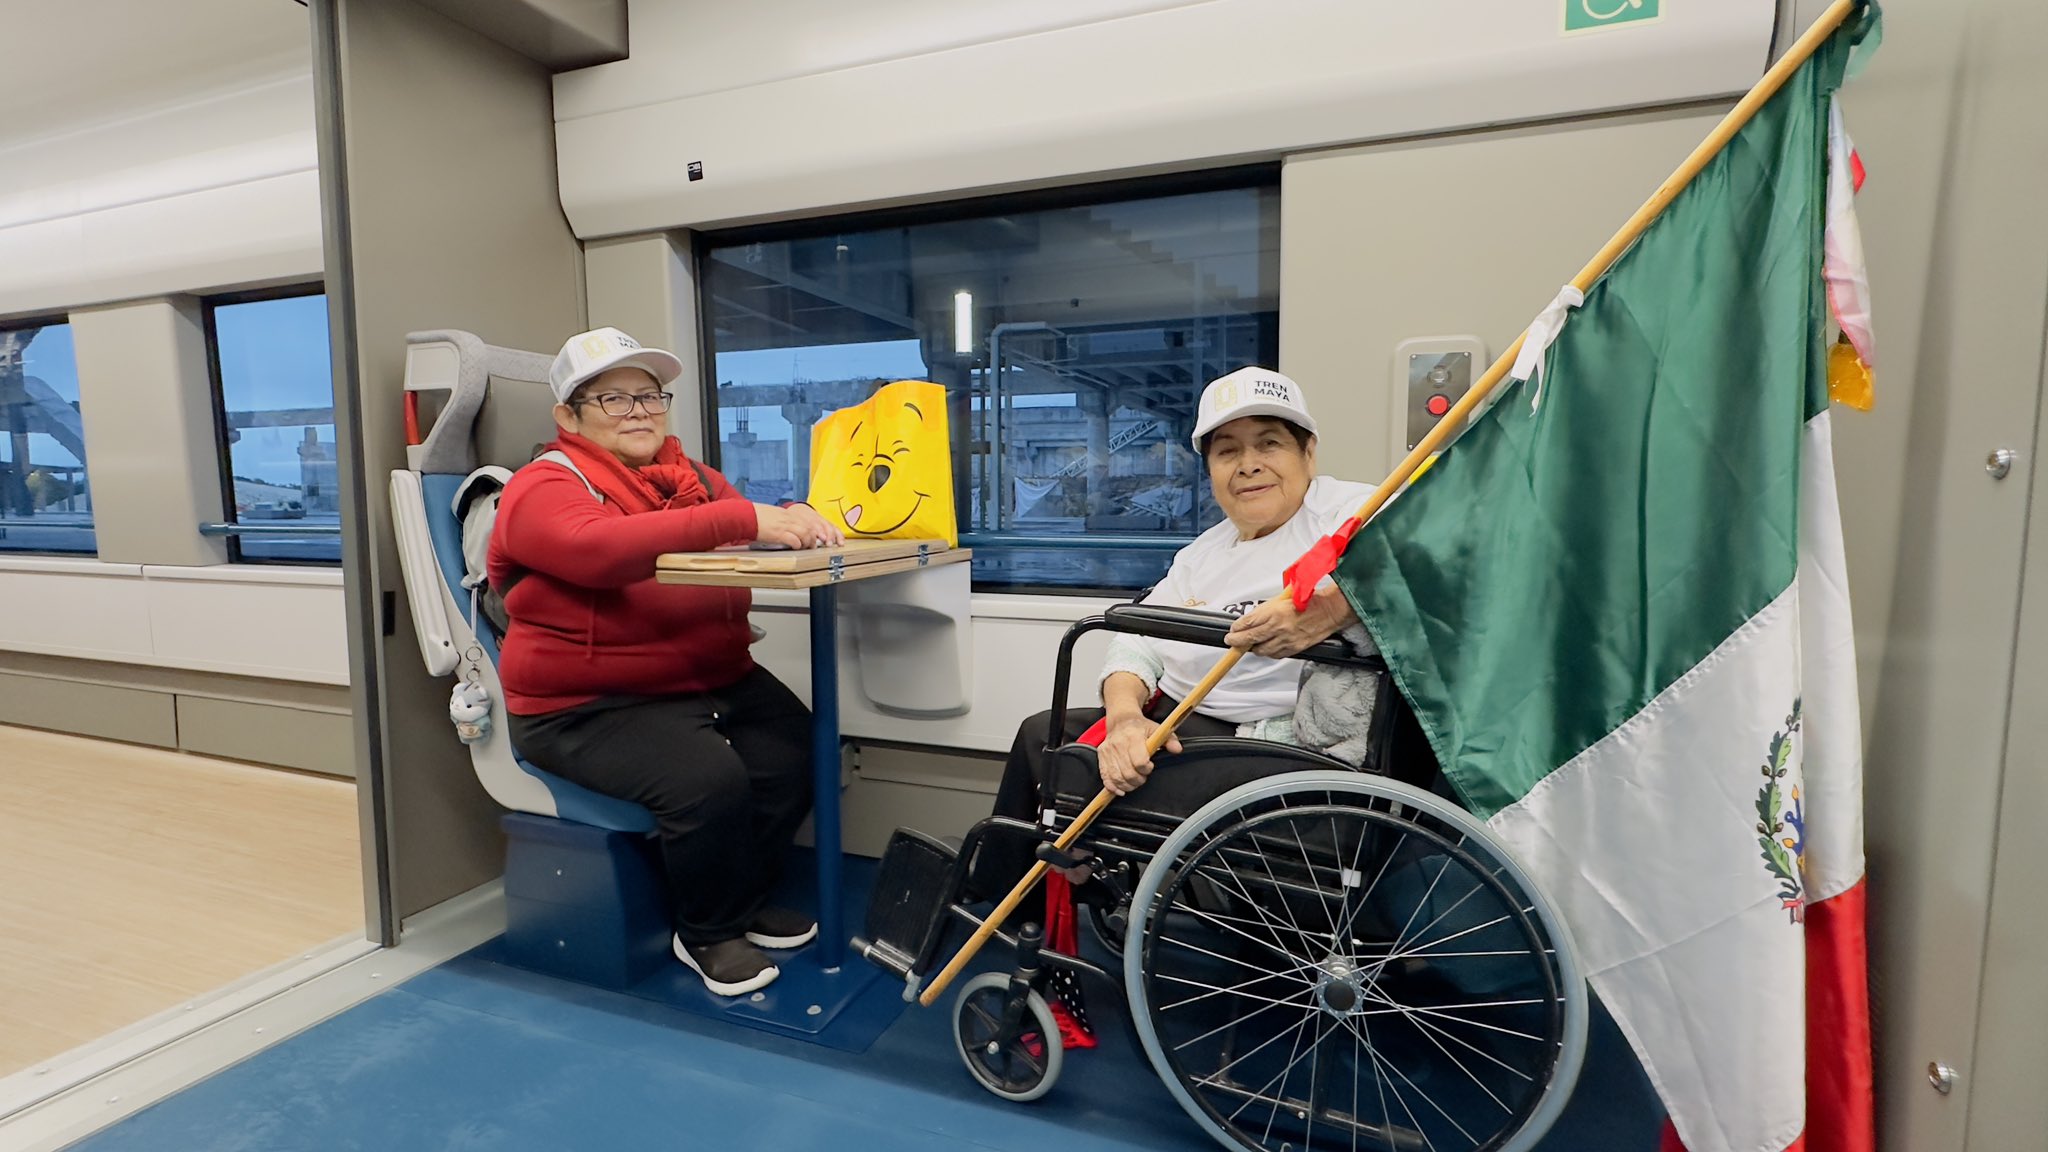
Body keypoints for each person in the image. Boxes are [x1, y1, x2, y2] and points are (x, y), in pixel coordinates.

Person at [488, 326, 845, 997]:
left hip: (708, 678)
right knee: (707, 779)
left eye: (650, 396)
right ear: (569, 416)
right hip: (585, 705)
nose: (639, 412)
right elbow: (597, 550)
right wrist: (741, 520)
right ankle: (707, 930)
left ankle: (741, 899)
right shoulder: (543, 485)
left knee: (798, 749)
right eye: (613, 399)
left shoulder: (694, 479)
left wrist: (793, 516)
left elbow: (749, 523)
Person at [977, 366, 1371, 905]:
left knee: (1064, 763)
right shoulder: (1204, 552)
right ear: (1210, 469)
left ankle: (1021, 898)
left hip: (1270, 746)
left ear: (1309, 454)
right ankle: (1004, 899)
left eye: (1269, 443)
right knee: (1039, 733)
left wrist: (1329, 611)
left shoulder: (1352, 513)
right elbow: (1135, 640)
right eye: (1227, 451)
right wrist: (1125, 719)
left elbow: (1427, 566)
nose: (1248, 464)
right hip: (1181, 717)